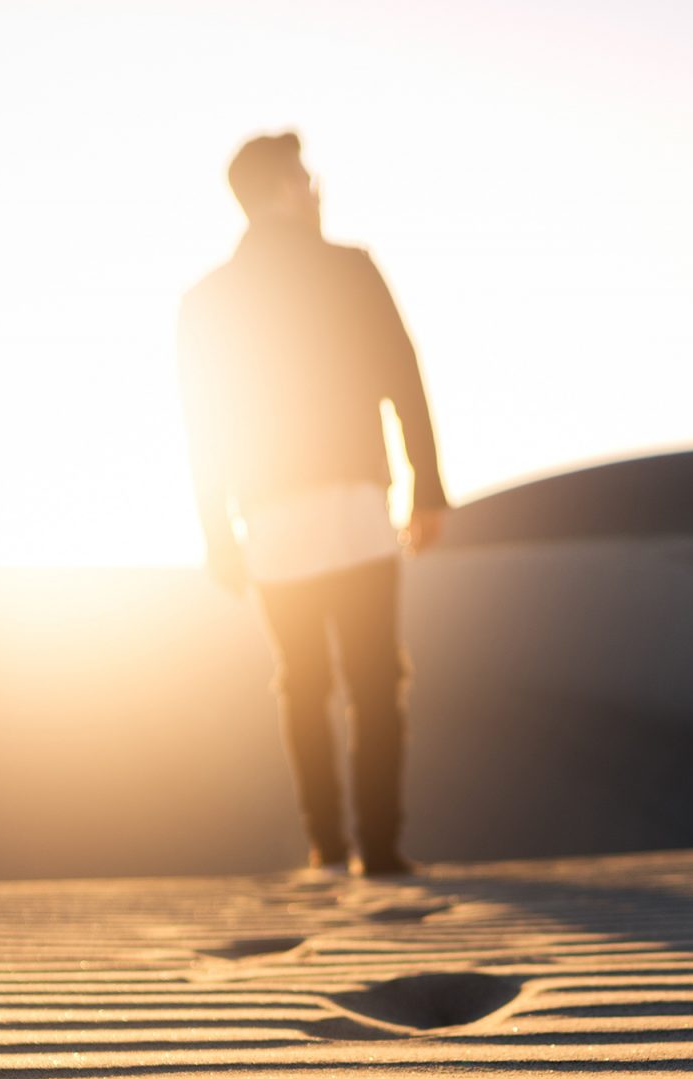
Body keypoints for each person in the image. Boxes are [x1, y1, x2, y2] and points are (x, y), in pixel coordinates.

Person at [178, 131, 448, 877]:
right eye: (305, 177)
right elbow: (405, 375)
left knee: (301, 681)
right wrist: (427, 487)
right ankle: (382, 852)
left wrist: (216, 535)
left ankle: (327, 845)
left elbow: (204, 428)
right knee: (372, 678)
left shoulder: (207, 299)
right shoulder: (349, 268)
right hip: (356, 503)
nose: (316, 187)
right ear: (280, 191)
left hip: (268, 516)